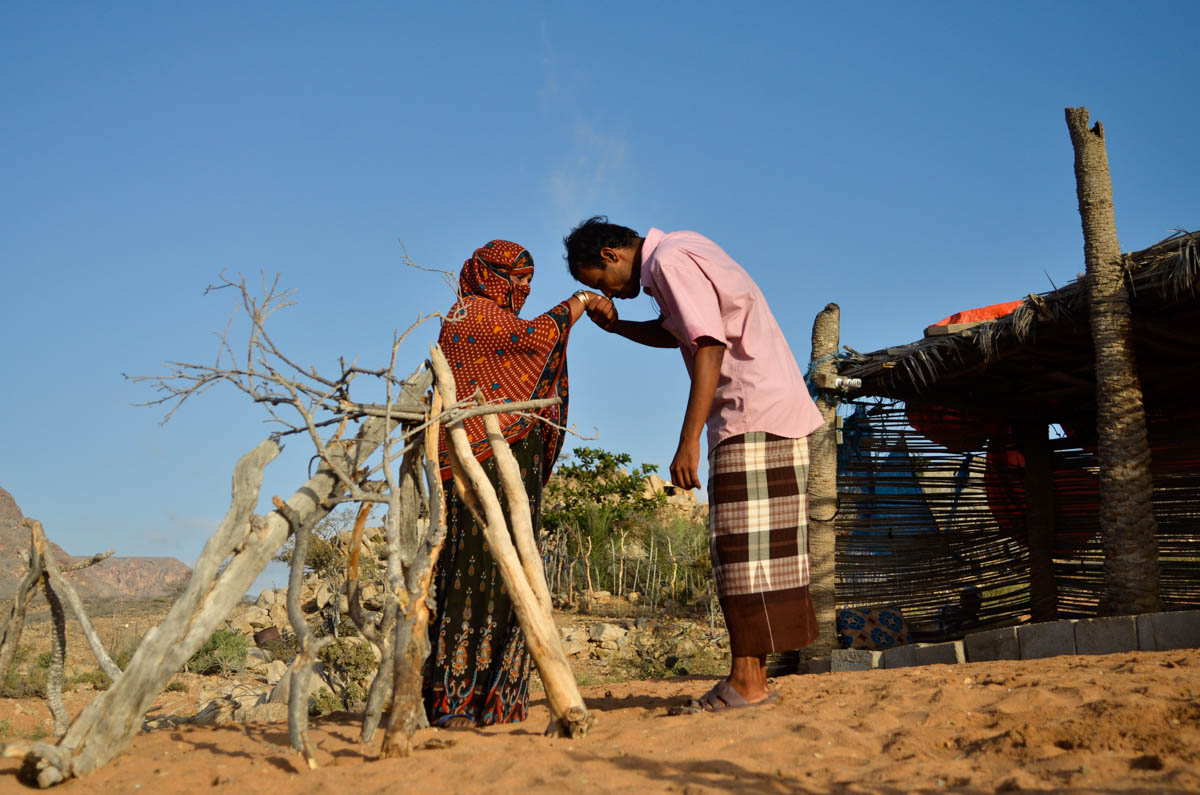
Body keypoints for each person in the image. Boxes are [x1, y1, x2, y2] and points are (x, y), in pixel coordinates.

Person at [563, 217, 825, 711]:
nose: (609, 293)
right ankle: (752, 679)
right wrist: (618, 327)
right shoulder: (679, 250)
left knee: (738, 553)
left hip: (751, 415)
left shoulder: (669, 261)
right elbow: (682, 333)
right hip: (767, 410)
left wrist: (688, 441)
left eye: (599, 282)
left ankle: (747, 682)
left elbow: (707, 343)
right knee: (757, 552)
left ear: (612, 256)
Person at [424, 240, 599, 728]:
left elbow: (530, 342)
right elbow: (533, 338)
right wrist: (580, 302)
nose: (521, 290)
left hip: (514, 465)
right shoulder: (469, 314)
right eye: (513, 280)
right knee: (469, 573)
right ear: (485, 275)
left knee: (516, 573)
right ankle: (456, 700)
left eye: (528, 282)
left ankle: (502, 698)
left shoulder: (491, 315)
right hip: (472, 466)